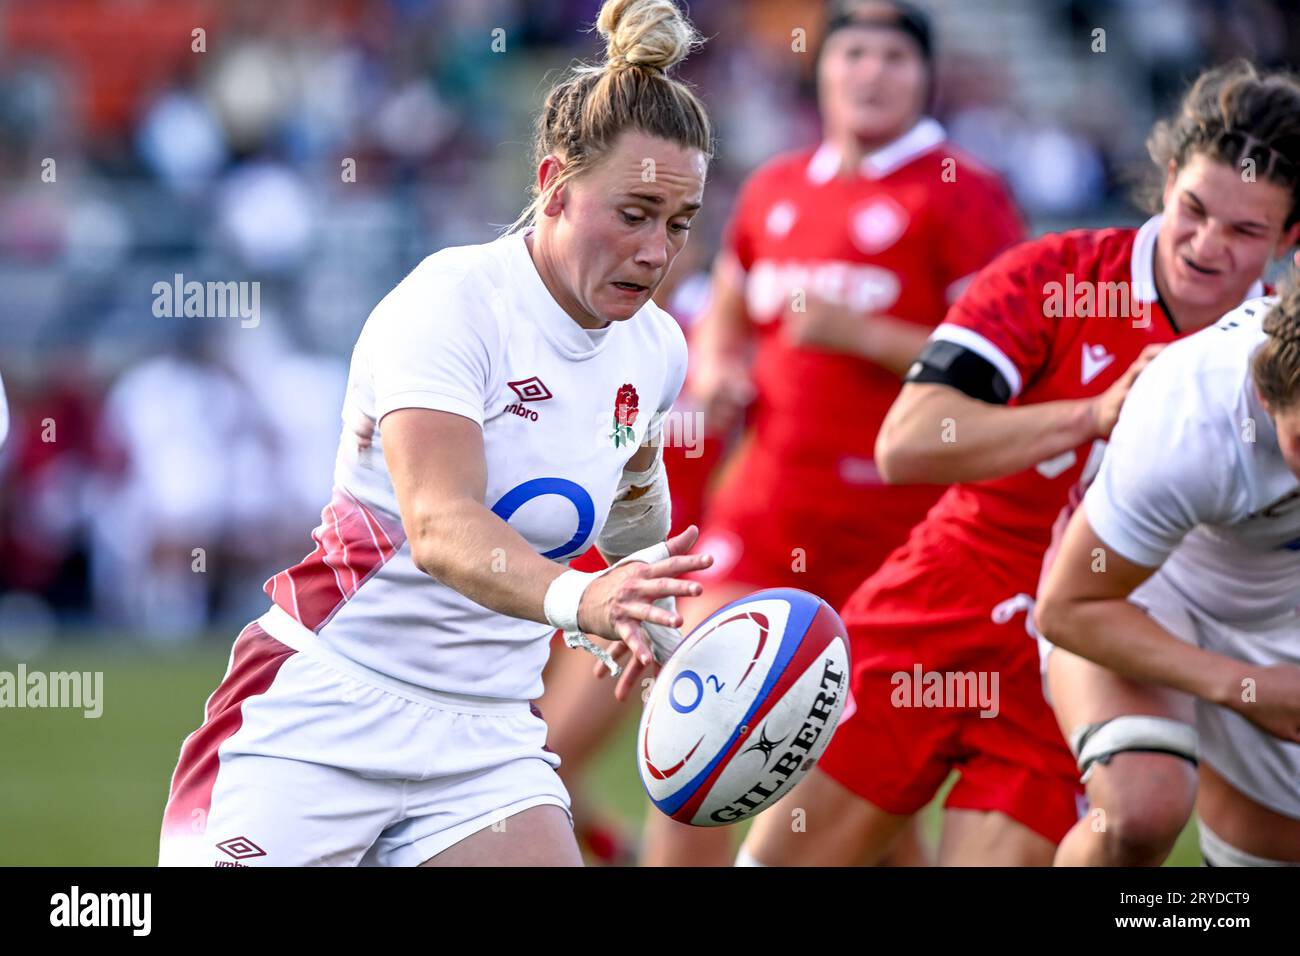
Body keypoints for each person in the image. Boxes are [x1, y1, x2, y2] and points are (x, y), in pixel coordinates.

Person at [158, 0, 714, 868]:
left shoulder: (657, 347)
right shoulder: (452, 303)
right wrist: (583, 601)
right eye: (635, 212)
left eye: (678, 224)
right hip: (323, 710)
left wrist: (653, 611)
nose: (656, 251)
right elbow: (442, 527)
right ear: (553, 187)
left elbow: (630, 506)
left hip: (486, 741)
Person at [738, 60, 1300, 866]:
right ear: (1169, 179)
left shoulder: (1275, 363)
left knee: (1132, 817)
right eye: (1194, 210)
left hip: (1091, 644)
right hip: (943, 604)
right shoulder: (1057, 277)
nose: (1206, 247)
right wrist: (1091, 415)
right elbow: (907, 442)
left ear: (1288, 239)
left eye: (1245, 232)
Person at [641, 0, 1025, 867]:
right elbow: (728, 307)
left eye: (894, 56)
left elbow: (1006, 363)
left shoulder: (963, 192)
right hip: (765, 517)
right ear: (822, 68)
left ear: (925, 75)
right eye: (853, 53)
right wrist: (717, 369)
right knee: (693, 734)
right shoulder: (777, 187)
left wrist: (868, 337)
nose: (871, 73)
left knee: (855, 791)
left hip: (899, 541)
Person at [1036, 287, 1300, 867]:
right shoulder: (1192, 416)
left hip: (1281, 605)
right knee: (1139, 809)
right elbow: (1067, 608)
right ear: (1264, 393)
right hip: (1139, 588)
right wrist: (1244, 688)